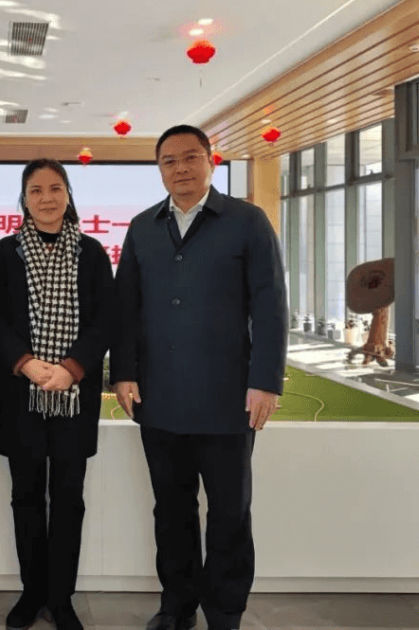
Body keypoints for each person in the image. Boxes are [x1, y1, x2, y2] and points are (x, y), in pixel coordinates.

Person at [111, 125, 288, 630]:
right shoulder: (143, 226)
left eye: (191, 158)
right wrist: (123, 373)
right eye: (169, 161)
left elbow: (270, 305)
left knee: (230, 513)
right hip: (159, 398)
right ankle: (177, 606)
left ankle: (225, 613)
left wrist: (266, 381)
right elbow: (126, 308)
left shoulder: (247, 221)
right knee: (172, 511)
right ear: (159, 170)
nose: (181, 168)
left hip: (228, 399)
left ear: (211, 162)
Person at [0, 159, 115, 630]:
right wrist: (25, 362)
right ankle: (32, 592)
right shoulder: (5, 253)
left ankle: (61, 598)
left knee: (69, 498)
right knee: (25, 496)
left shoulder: (91, 253)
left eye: (55, 188)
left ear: (68, 194)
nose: (46, 198)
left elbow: (106, 319)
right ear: (23, 199)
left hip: (74, 397)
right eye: (36, 190)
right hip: (22, 394)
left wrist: (71, 368)